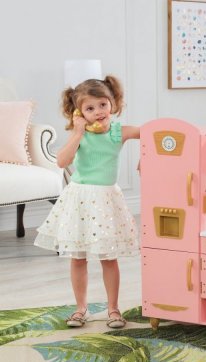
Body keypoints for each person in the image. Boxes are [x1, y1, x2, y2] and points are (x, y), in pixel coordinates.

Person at [34, 75, 140, 329]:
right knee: (78, 258)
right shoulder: (79, 135)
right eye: (90, 108)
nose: (98, 111)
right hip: (79, 201)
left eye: (103, 104)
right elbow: (61, 161)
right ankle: (81, 308)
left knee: (108, 258)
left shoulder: (119, 132)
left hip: (106, 202)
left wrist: (146, 157)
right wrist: (78, 132)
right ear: (79, 113)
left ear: (113, 103)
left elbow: (154, 132)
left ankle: (113, 309)